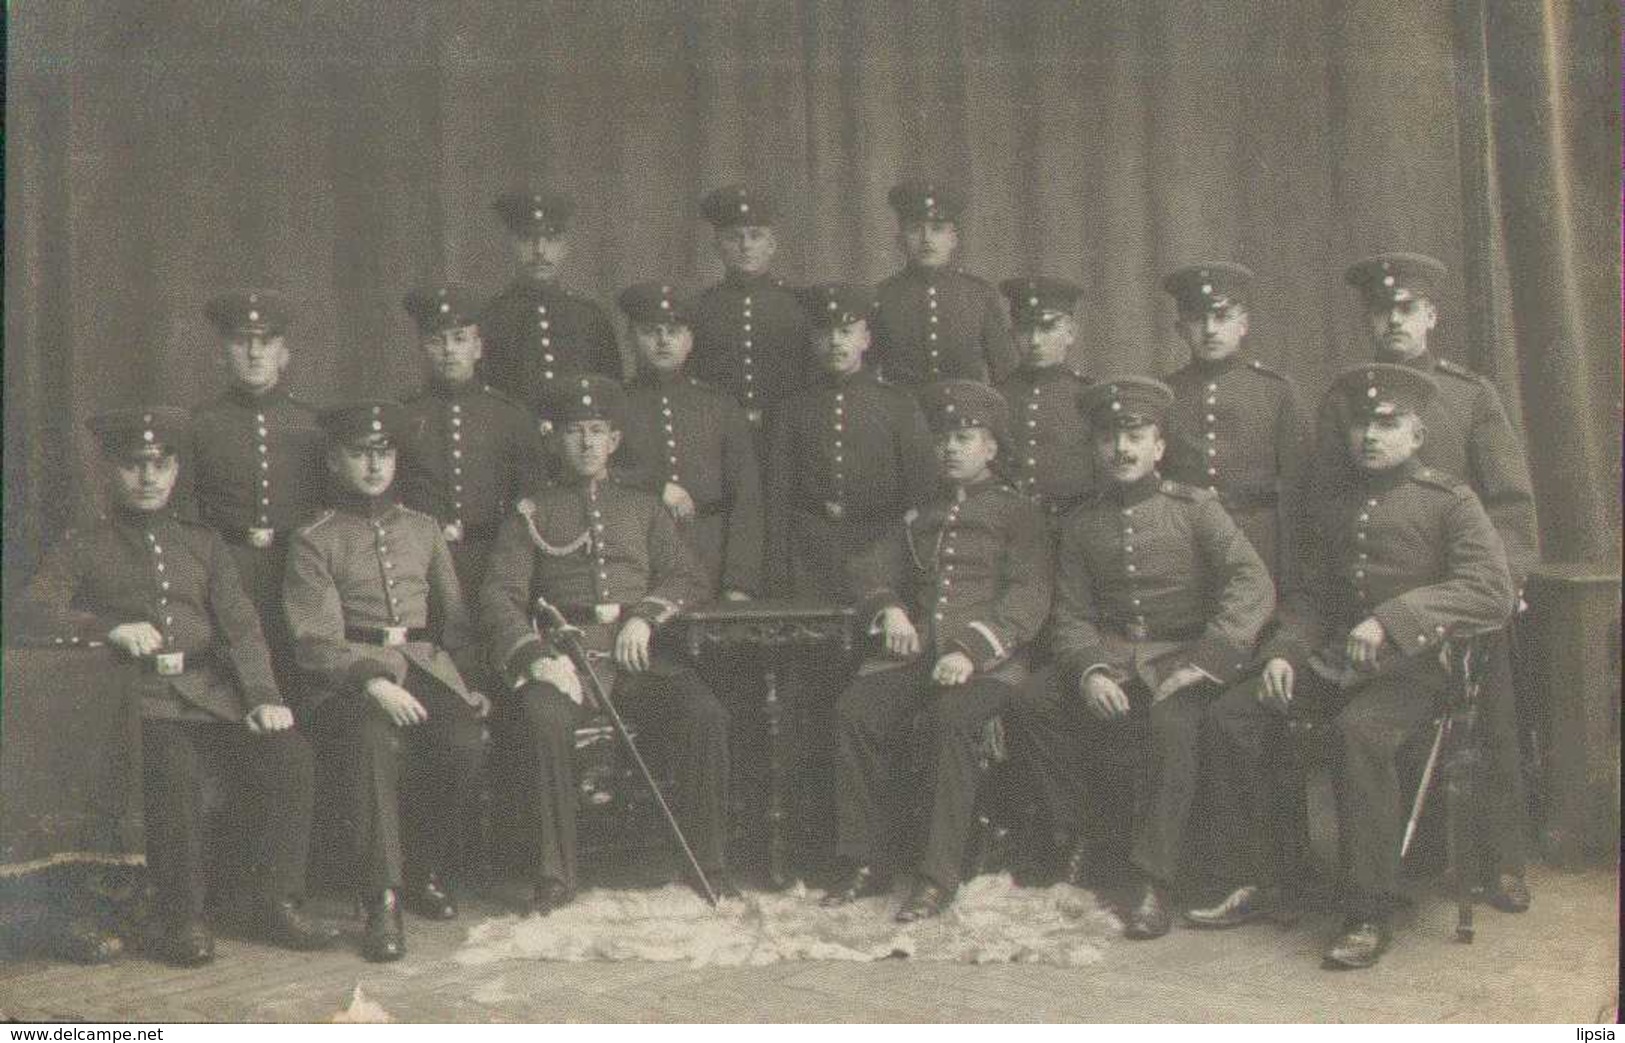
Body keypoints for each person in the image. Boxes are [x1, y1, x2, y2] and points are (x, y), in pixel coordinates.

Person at [1222, 363, 1514, 968]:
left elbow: (1491, 591)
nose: (1371, 435)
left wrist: (1394, 617)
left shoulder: (1449, 501)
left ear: (1417, 434)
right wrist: (1282, 652)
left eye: (1388, 423)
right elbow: (1309, 598)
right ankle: (1282, 873)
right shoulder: (1331, 502)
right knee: (1239, 713)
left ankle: (1367, 911)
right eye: (1361, 423)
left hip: (1416, 671)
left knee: (1361, 734)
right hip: (1333, 664)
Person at [22, 408, 337, 965]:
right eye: (134, 466)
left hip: (213, 694)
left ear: (175, 471)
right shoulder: (84, 544)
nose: (148, 478)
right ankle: (180, 919)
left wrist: (263, 697)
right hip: (136, 701)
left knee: (290, 755)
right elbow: (31, 611)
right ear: (111, 472)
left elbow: (241, 627)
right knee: (175, 773)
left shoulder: (203, 543)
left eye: (160, 465)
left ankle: (274, 902)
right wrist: (107, 629)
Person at [1005, 377, 1275, 939]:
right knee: (1034, 700)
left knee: (1171, 725)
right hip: (1113, 655)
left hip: (1186, 657)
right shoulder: (1082, 523)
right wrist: (1090, 670)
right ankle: (1079, 838)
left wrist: (1207, 661)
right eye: (1109, 437)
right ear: (1095, 447)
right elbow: (1071, 614)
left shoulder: (1196, 508)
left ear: (1159, 445)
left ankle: (1154, 880)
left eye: (1135, 435)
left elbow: (1251, 584)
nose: (1122, 449)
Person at [1318, 252, 1537, 912]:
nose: (1392, 319)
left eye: (1405, 308)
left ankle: (1499, 861)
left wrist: (1508, 574)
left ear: (1430, 315)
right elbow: (1335, 493)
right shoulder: (1345, 400)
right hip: (1387, 581)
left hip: (1466, 583)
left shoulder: (1467, 394)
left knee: (1489, 725)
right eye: (1381, 310)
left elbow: (1507, 497)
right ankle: (1406, 858)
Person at [477, 376, 734, 913]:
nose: (587, 444)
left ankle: (707, 862)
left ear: (615, 441)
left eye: (597, 432)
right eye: (575, 432)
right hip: (565, 659)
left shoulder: (642, 509)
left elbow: (687, 579)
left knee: (704, 714)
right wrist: (536, 657)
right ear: (555, 439)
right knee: (542, 720)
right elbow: (501, 596)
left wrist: (644, 619)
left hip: (637, 657)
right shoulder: (531, 513)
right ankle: (556, 874)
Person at [822, 380, 1051, 921]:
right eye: (944, 437)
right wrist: (890, 609)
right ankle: (866, 862)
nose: (950, 447)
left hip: (990, 663)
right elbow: (870, 568)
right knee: (855, 711)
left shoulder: (1018, 514)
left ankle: (936, 875)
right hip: (920, 654)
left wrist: (971, 651)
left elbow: (1030, 597)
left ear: (991, 448)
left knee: (952, 722)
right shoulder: (922, 514)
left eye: (965, 437)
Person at [284, 400, 489, 962]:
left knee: (463, 740)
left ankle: (421, 872)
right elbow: (314, 639)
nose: (374, 465)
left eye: (384, 453)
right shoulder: (314, 538)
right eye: (359, 454)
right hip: (345, 678)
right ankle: (382, 899)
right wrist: (373, 681)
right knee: (372, 741)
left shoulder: (422, 530)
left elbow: (455, 619)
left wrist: (468, 684)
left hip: (423, 665)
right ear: (333, 460)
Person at [765, 283, 936, 604]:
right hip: (808, 553)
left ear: (865, 340)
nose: (835, 343)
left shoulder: (898, 404)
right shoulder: (791, 408)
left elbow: (924, 491)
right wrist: (777, 570)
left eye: (845, 332)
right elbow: (777, 495)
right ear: (813, 340)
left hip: (881, 549)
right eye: (825, 333)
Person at [188, 290, 324, 675]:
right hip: (227, 572)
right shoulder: (198, 425)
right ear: (222, 354)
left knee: (302, 676)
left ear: (284, 353)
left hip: (298, 572)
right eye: (241, 341)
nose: (254, 353)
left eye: (266, 341)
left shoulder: (312, 425)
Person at [397, 282, 548, 601]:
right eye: (437, 341)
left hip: (493, 565)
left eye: (460, 339)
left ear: (478, 348)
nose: (449, 350)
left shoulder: (511, 417)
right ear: (423, 347)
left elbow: (531, 499)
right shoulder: (402, 416)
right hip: (420, 567)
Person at [1159, 262, 1308, 582]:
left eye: (1223, 317)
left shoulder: (1276, 391)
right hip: (1186, 544)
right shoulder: (1164, 395)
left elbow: (1299, 489)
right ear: (1181, 329)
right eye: (1199, 319)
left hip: (1258, 544)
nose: (1211, 329)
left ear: (1243, 324)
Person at [616, 281, 763, 602]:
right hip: (638, 556)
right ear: (630, 339)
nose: (663, 340)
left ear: (690, 341)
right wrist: (656, 487)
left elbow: (746, 499)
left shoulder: (721, 406)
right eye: (651, 331)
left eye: (674, 331)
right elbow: (597, 477)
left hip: (709, 554)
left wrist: (740, 582)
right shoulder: (614, 405)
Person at [477, 188, 622, 416]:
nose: (540, 251)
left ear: (565, 248)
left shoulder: (590, 318)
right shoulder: (488, 319)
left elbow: (611, 397)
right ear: (510, 245)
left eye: (552, 239)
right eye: (527, 239)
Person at [870, 181, 1017, 388]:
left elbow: (1006, 374)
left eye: (937, 229)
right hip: (903, 417)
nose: (926, 239)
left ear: (953, 239)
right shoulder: (881, 297)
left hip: (967, 417)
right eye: (915, 229)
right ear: (900, 240)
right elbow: (864, 380)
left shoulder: (979, 295)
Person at [690, 185, 810, 435]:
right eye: (734, 237)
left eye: (755, 236)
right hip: (717, 434)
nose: (746, 246)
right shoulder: (697, 309)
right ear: (717, 247)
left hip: (787, 434)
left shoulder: (799, 304)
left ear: (771, 245)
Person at [994, 276, 1095, 528]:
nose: (1035, 340)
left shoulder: (1090, 397)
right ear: (1012, 333)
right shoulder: (995, 397)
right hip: (1008, 528)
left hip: (1074, 527)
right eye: (1026, 329)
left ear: (1070, 333)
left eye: (1047, 327)